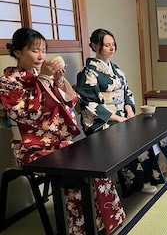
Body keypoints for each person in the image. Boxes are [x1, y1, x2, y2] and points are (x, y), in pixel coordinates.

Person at [0, 28, 126, 234]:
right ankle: (82, 228)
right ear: (17, 52)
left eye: (43, 50)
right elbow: (27, 114)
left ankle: (105, 221)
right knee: (76, 173)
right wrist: (43, 79)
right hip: (32, 148)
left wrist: (58, 79)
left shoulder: (42, 76)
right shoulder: (9, 82)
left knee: (95, 163)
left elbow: (72, 102)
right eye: (34, 50)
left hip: (59, 143)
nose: (41, 56)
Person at [76, 28, 167, 195]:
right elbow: (90, 104)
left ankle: (159, 171)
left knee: (153, 132)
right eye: (106, 45)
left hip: (122, 116)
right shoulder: (88, 73)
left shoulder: (117, 70)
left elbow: (127, 92)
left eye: (113, 44)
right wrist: (117, 119)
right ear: (94, 45)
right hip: (102, 121)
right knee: (131, 139)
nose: (111, 48)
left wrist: (129, 111)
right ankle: (141, 182)